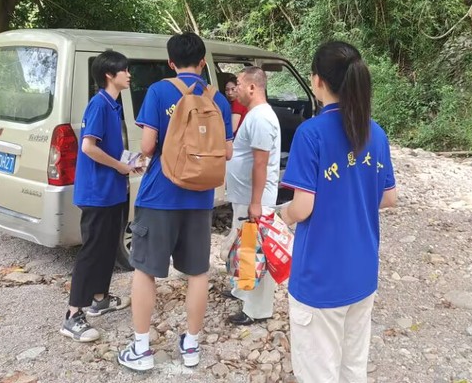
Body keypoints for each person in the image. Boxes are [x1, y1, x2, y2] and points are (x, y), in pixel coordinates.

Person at [279, 41, 397, 383]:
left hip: (320, 277)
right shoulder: (375, 132)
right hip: (362, 274)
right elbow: (389, 197)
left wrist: (282, 215)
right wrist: (352, 198)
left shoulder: (311, 133)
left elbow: (303, 207)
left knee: (319, 373)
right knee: (352, 369)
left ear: (317, 81)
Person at [117, 31, 233, 372]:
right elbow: (226, 151)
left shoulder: (159, 91)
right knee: (197, 272)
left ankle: (141, 349)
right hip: (200, 198)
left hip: (160, 195)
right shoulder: (218, 99)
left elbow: (148, 146)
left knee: (145, 270)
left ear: (170, 63)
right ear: (202, 62)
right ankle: (192, 345)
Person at [60, 50, 133, 342]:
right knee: (92, 251)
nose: (129, 75)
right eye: (124, 70)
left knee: (107, 246)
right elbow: (88, 147)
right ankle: (72, 315)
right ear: (109, 75)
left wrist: (130, 163)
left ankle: (100, 299)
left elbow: (110, 148)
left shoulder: (113, 105)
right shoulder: (99, 105)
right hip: (96, 192)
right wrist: (119, 166)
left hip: (112, 189)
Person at [223, 67, 281, 325]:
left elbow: (260, 163)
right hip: (245, 196)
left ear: (252, 87)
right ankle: (242, 291)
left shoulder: (261, 118)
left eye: (238, 83)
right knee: (245, 248)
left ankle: (257, 309)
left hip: (254, 199)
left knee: (256, 250)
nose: (234, 89)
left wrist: (256, 203)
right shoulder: (254, 115)